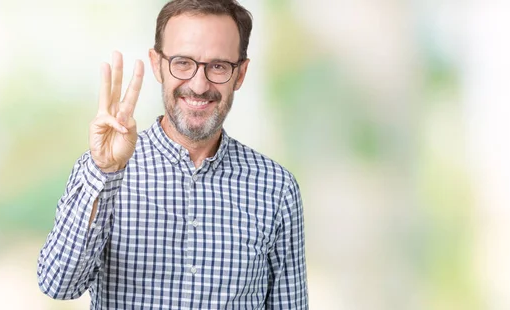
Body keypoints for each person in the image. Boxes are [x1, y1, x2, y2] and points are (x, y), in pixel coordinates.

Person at [36, 0, 308, 308]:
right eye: (182, 62)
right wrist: (104, 173)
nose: (199, 84)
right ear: (157, 64)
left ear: (241, 73)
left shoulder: (277, 188)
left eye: (218, 66)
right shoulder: (101, 170)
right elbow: (57, 284)